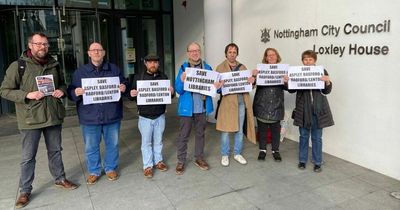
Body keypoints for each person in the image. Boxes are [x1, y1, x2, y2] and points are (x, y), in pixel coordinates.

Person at [0, 32, 78, 209]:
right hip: (30, 119)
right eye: (38, 44)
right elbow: (4, 90)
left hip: (52, 115)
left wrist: (61, 91)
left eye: (45, 44)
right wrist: (28, 94)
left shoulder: (54, 64)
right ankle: (25, 190)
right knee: (28, 157)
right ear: (30, 45)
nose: (42, 47)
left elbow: (62, 84)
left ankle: (60, 178)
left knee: (56, 151)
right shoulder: (18, 66)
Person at [67, 42, 127, 184]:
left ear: (104, 52)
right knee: (91, 146)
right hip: (89, 116)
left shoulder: (114, 69)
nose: (96, 52)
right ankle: (94, 171)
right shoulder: (80, 72)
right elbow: (70, 91)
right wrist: (75, 92)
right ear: (88, 53)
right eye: (93, 50)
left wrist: (124, 86)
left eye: (99, 50)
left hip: (111, 114)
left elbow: (125, 82)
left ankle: (110, 168)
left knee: (112, 144)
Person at [288, 50, 334, 172]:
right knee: (303, 136)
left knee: (317, 138)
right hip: (303, 110)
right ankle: (302, 161)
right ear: (302, 61)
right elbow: (291, 90)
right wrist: (287, 81)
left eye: (310, 59)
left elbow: (326, 91)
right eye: (305, 59)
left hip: (318, 110)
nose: (308, 61)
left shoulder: (322, 71)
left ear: (315, 60)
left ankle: (317, 162)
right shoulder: (297, 73)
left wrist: (327, 81)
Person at [129, 54, 174, 178]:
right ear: (145, 64)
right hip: (145, 116)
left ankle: (158, 161)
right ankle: (147, 166)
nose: (152, 64)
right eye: (150, 62)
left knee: (158, 141)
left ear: (158, 64)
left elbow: (168, 96)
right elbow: (131, 96)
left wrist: (172, 92)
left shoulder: (163, 77)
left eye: (155, 62)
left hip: (160, 115)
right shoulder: (138, 77)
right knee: (146, 143)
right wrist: (132, 93)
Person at [174, 42, 215, 175]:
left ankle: (199, 158)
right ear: (188, 53)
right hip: (187, 109)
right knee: (183, 135)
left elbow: (214, 88)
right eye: (192, 51)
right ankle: (181, 161)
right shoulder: (183, 68)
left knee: (200, 134)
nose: (195, 53)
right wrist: (181, 80)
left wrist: (218, 85)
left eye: (197, 50)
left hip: (201, 108)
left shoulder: (207, 68)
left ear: (200, 52)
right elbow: (178, 90)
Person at [215, 43, 256, 167]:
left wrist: (252, 81)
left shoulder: (242, 67)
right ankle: (225, 154)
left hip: (241, 103)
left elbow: (249, 85)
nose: (232, 54)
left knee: (239, 130)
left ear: (237, 53)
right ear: (226, 53)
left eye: (234, 52)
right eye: (230, 52)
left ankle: (237, 153)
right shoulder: (220, 67)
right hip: (227, 104)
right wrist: (219, 87)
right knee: (226, 130)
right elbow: (216, 89)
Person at [253, 48, 286, 162]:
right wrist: (254, 77)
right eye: (268, 55)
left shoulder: (283, 70)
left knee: (275, 131)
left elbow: (289, 88)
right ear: (266, 58)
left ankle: (275, 150)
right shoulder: (260, 70)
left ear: (277, 57)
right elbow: (251, 84)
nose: (271, 57)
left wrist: (287, 81)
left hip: (276, 106)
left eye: (273, 55)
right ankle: (262, 150)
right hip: (262, 105)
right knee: (261, 130)